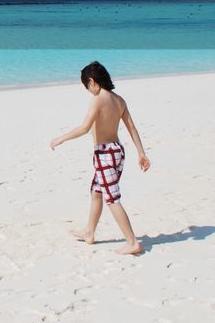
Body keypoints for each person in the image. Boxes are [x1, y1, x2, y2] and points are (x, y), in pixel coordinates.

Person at [49, 61, 151, 255]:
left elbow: (85, 128)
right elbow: (132, 127)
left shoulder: (98, 100)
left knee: (112, 198)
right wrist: (141, 153)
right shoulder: (119, 100)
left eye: (86, 86)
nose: (88, 90)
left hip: (105, 154)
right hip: (117, 152)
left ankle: (132, 242)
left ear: (92, 82)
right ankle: (89, 232)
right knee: (96, 191)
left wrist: (60, 138)